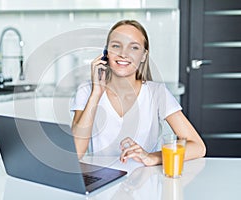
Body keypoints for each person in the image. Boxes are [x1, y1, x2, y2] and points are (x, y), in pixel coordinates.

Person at [70, 19, 206, 166]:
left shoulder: (157, 92)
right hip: (101, 181)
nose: (123, 54)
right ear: (106, 53)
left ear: (143, 56)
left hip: (146, 180)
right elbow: (76, 152)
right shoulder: (87, 91)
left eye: (133, 47)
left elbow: (198, 147)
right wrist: (96, 93)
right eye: (116, 46)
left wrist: (152, 157)